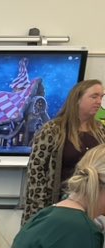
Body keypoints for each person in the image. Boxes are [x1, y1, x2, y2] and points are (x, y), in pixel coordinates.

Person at [21, 78, 105, 223]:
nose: (99, 101)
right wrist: (41, 211)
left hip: (94, 210)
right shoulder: (52, 130)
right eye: (94, 96)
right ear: (77, 99)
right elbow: (36, 171)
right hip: (58, 206)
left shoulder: (101, 131)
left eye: (101, 97)